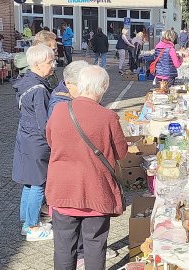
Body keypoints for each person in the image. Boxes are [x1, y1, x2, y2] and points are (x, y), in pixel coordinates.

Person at [45, 65, 128, 270]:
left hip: (63, 189)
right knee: (95, 245)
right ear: (104, 87)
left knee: (64, 247)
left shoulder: (59, 111)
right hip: (95, 191)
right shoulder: (108, 117)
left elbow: (50, 140)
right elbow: (122, 153)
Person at [11, 44, 55, 242]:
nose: (53, 65)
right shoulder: (39, 90)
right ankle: (33, 227)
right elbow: (43, 122)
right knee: (38, 184)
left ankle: (25, 221)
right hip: (37, 142)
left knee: (29, 182)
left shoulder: (25, 81)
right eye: (49, 62)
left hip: (25, 138)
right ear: (37, 64)